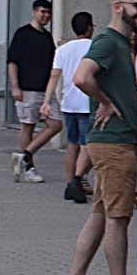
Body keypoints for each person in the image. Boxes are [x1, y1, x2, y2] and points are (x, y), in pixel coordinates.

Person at [60, 0, 137, 275]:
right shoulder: (108, 42)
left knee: (100, 214)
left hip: (114, 140)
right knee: (118, 217)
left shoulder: (120, 43)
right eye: (136, 6)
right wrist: (106, 102)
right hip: (113, 142)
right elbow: (82, 76)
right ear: (117, 7)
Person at [7, 0, 57, 182]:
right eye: (42, 12)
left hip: (45, 89)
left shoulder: (47, 37)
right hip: (27, 88)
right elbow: (13, 61)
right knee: (27, 126)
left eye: (48, 13)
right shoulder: (23, 34)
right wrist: (15, 87)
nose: (46, 16)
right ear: (34, 12)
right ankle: (28, 167)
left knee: (55, 124)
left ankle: (25, 155)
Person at [51, 11, 97, 202]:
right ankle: (78, 180)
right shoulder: (95, 46)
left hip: (68, 102)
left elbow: (54, 76)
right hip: (87, 101)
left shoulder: (63, 49)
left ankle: (70, 181)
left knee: (72, 145)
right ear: (89, 28)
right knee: (88, 146)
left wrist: (47, 100)